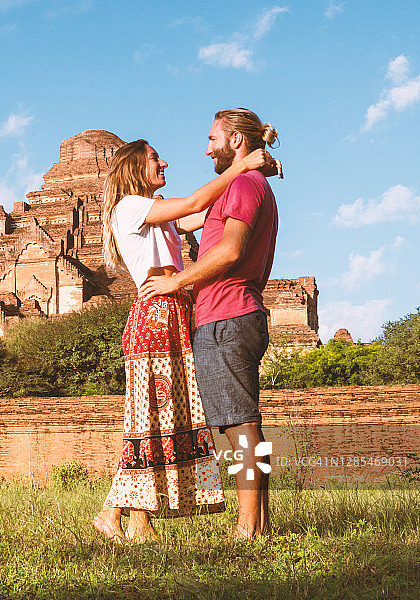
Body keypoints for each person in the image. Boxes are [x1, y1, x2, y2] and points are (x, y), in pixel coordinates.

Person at [92, 137, 279, 544]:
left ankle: (140, 521)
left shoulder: (157, 214)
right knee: (149, 419)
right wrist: (241, 164)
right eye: (155, 159)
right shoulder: (130, 206)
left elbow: (206, 213)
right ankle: (111, 512)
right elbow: (196, 203)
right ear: (133, 169)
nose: (164, 163)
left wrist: (251, 172)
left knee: (166, 420)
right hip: (156, 316)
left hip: (176, 313)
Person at [138, 108, 280, 539]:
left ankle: (248, 528)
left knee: (241, 424)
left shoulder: (242, 185)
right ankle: (259, 523)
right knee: (243, 422)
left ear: (235, 140)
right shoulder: (244, 184)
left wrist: (177, 281)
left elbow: (231, 251)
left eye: (212, 138)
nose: (206, 147)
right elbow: (185, 217)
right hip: (234, 314)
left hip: (227, 315)